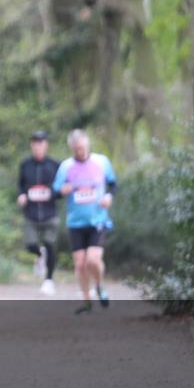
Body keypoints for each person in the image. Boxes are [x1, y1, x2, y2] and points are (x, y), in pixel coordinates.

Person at [52, 129, 116, 315]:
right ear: (71, 148)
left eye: (82, 148)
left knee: (92, 260)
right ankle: (87, 300)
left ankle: (99, 286)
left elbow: (113, 184)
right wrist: (63, 190)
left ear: (87, 144)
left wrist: (109, 197)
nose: (79, 152)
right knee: (80, 264)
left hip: (97, 219)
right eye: (76, 149)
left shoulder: (101, 162)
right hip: (75, 222)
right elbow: (55, 191)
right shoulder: (66, 166)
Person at [16, 131, 60, 296]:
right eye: (35, 143)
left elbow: (61, 189)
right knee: (30, 245)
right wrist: (21, 195)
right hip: (31, 214)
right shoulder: (25, 165)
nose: (38, 146)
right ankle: (39, 254)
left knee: (50, 244)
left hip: (50, 214)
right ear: (31, 145)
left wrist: (53, 193)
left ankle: (49, 280)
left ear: (46, 145)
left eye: (41, 143)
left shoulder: (55, 165)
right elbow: (20, 185)